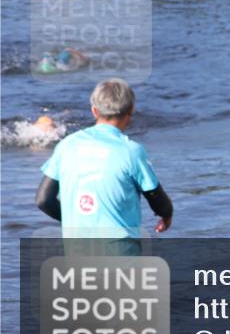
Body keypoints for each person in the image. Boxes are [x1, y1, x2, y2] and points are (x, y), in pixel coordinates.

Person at [36, 78, 173, 248]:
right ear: (130, 111)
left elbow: (43, 200)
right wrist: (166, 215)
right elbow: (156, 198)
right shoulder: (131, 151)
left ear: (94, 111)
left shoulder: (66, 145)